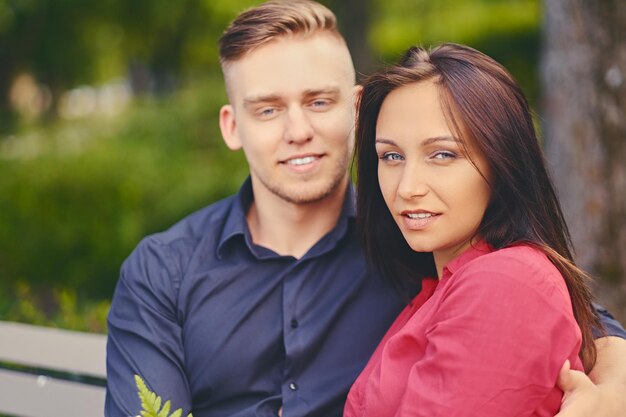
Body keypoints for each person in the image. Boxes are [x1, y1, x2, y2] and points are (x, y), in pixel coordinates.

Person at [105, 2, 626, 417]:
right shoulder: (163, 271)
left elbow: (568, 320)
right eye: (267, 109)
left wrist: (616, 387)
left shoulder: (418, 236)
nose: (297, 131)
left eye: (318, 102)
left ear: (357, 111)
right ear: (231, 126)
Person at [344, 42, 624, 417]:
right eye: (391, 156)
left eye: (442, 154)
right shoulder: (437, 285)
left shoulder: (505, 280)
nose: (407, 187)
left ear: (501, 163)